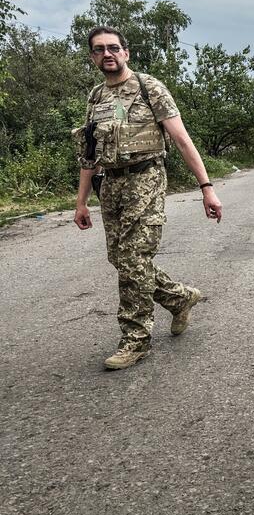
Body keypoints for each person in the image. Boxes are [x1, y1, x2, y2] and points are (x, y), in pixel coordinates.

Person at [73, 26, 223, 370]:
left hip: (146, 179)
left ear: (126, 52)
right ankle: (180, 297)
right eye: (99, 50)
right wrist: (81, 202)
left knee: (134, 257)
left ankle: (136, 339)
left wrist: (207, 188)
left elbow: (182, 140)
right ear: (93, 56)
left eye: (113, 48)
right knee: (122, 259)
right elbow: (88, 154)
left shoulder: (148, 88)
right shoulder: (96, 96)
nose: (107, 54)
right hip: (110, 186)